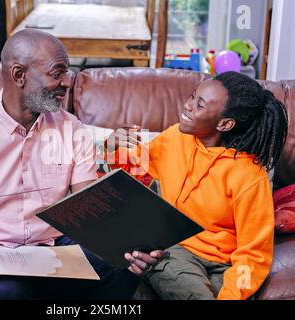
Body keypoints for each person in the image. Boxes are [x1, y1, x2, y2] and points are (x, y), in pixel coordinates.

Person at [0, 29, 168, 300]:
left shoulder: (71, 129)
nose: (67, 82)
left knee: (122, 267)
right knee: (7, 295)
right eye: (57, 73)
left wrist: (131, 247)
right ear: (19, 75)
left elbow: (90, 208)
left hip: (52, 246)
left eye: (68, 73)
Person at [105, 71, 288, 300]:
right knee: (186, 286)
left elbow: (254, 253)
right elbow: (132, 171)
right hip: (174, 249)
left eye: (199, 104)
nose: (187, 106)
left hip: (226, 264)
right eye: (192, 97)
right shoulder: (174, 138)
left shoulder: (250, 177)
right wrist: (113, 147)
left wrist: (231, 295)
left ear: (225, 123)